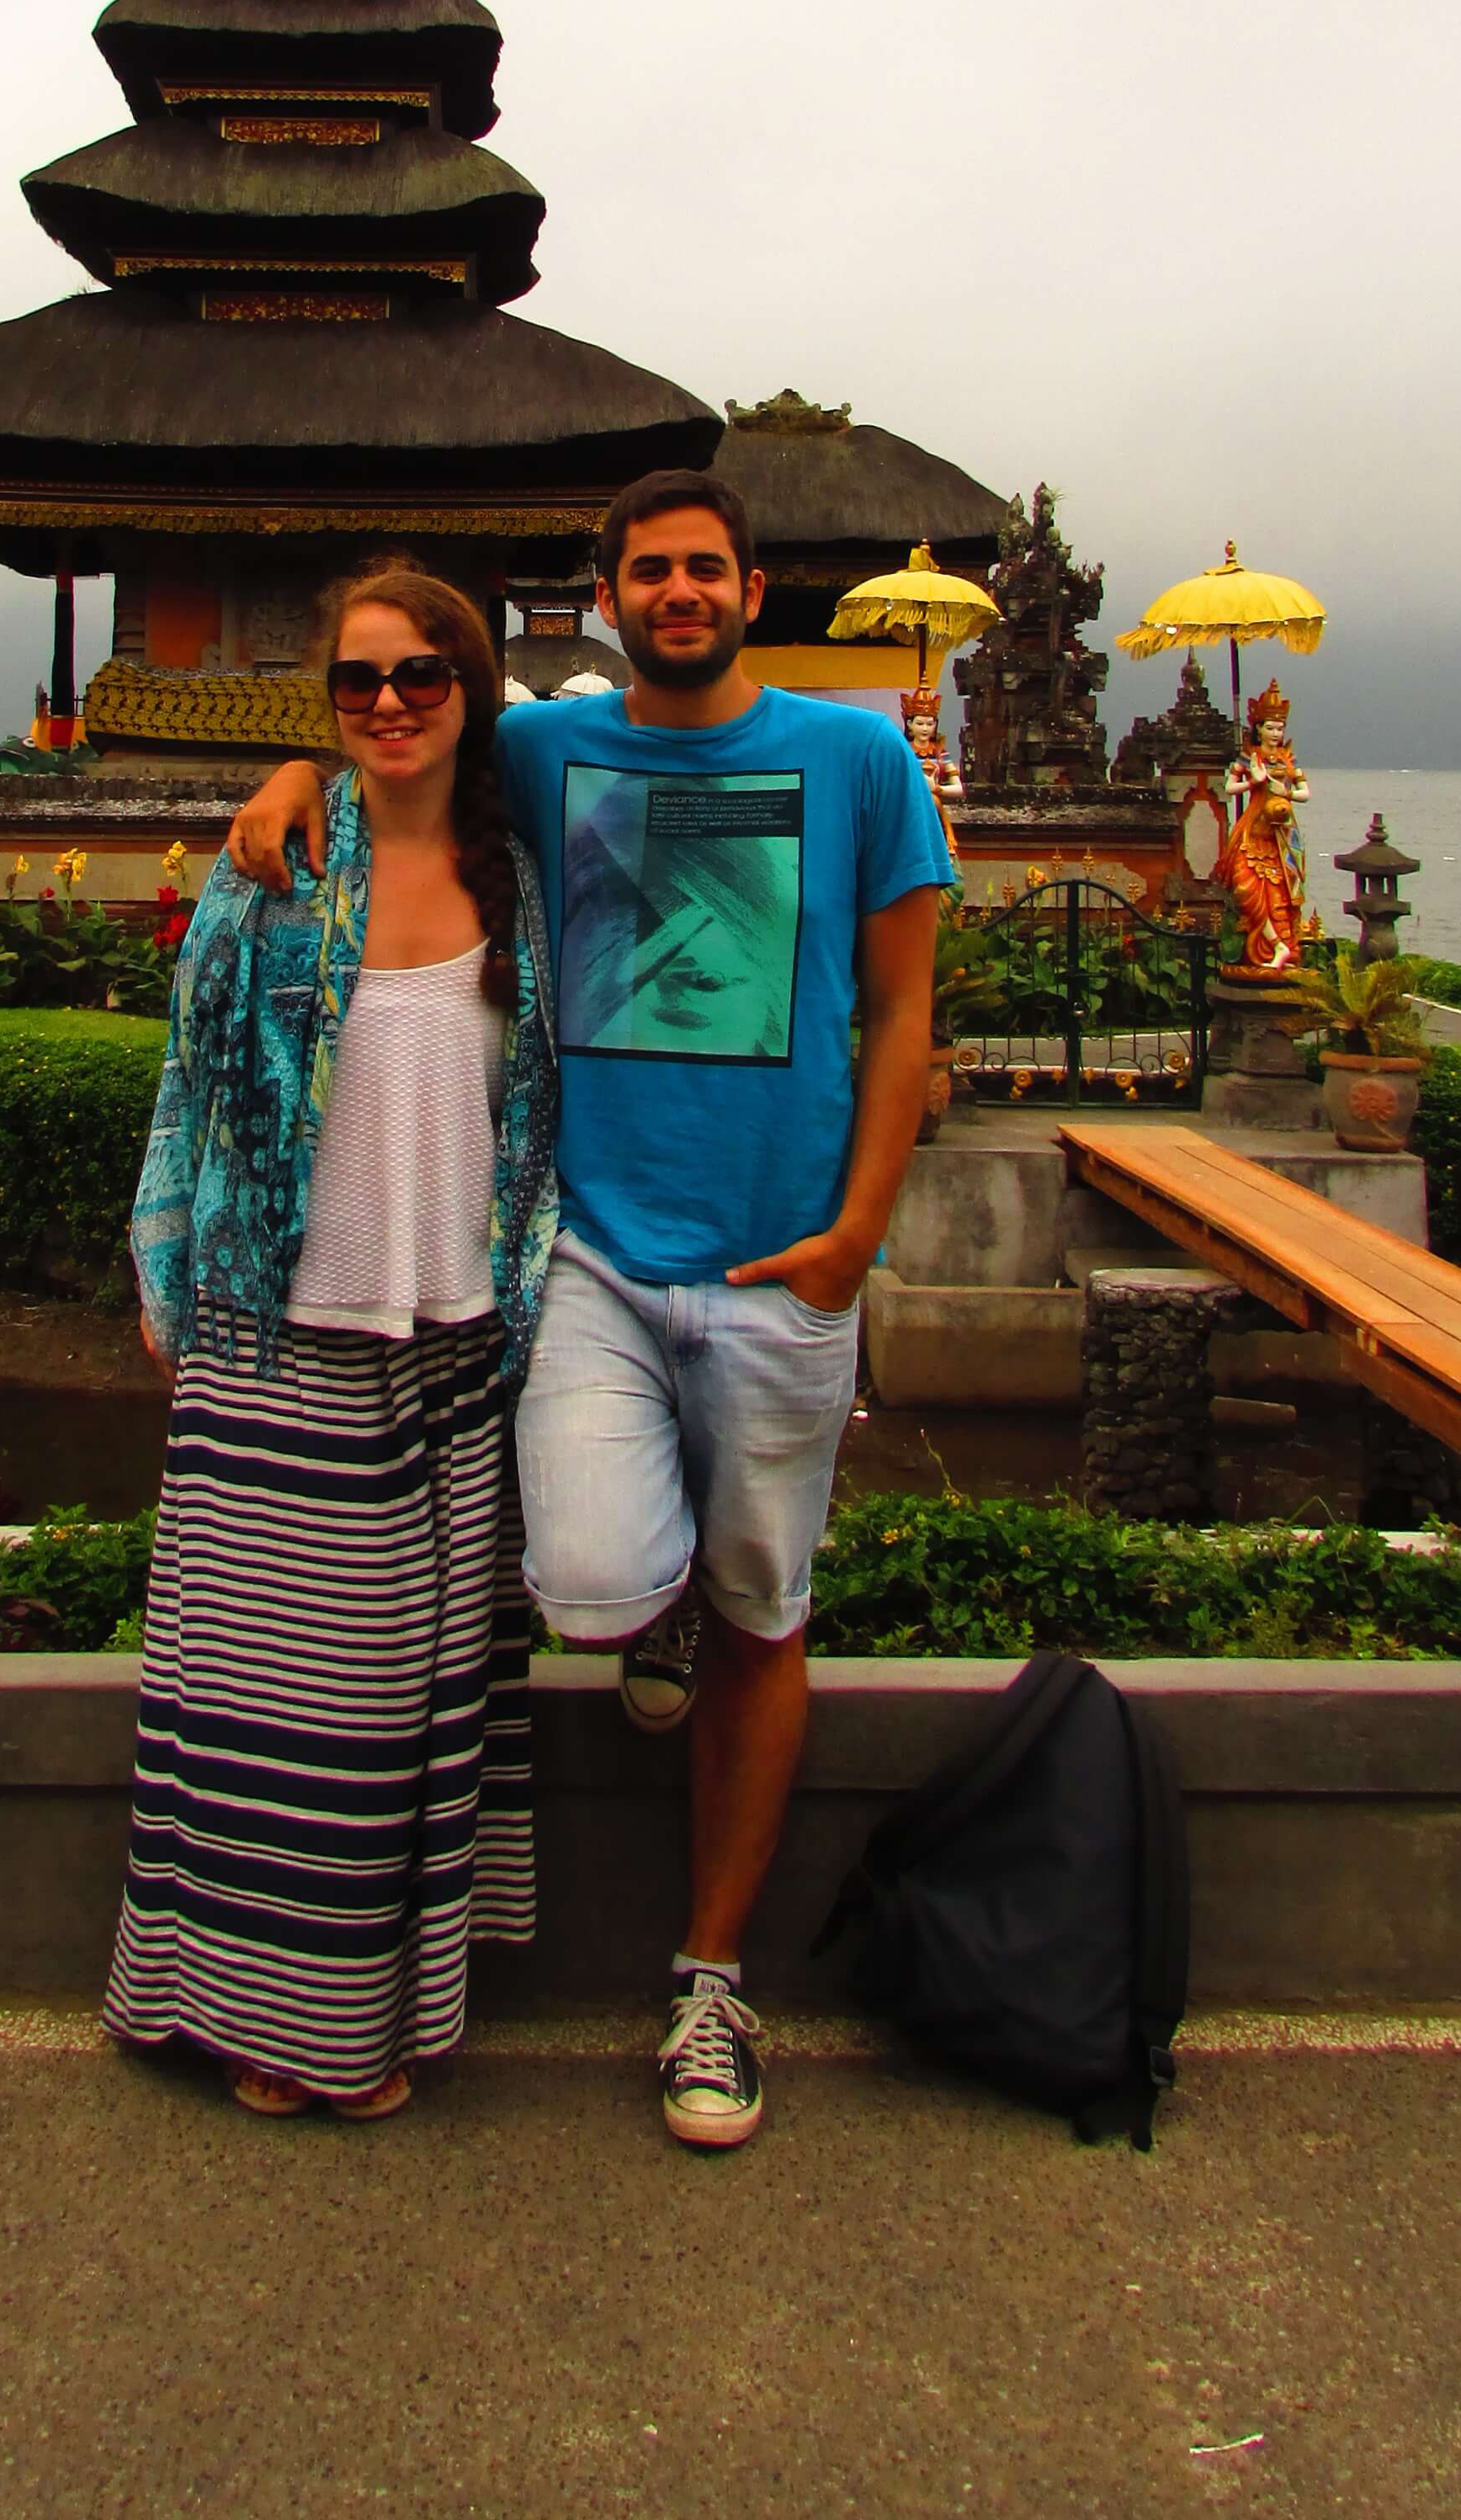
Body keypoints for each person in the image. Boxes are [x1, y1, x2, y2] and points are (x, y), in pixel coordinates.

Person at [227, 471, 953, 2149]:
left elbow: (906, 1009)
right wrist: (285, 768)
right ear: (609, 595)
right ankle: (653, 1614)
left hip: (784, 1269)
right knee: (586, 1578)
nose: (679, 591)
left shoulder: (855, 760)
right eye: (650, 571)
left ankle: (709, 1981)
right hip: (600, 1263)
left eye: (706, 567)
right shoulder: (549, 753)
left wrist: (856, 1236)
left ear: (753, 586)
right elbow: (400, 750)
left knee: (770, 1617)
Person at [103, 563, 560, 2119]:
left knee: (404, 1709)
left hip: (453, 1334)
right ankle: (245, 2014)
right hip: (275, 1321)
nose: (387, 705)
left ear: (469, 690)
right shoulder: (278, 865)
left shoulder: (531, 880)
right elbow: (191, 1082)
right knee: (259, 1708)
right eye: (357, 682)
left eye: (421, 677)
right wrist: (167, 1272)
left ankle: (357, 2023)